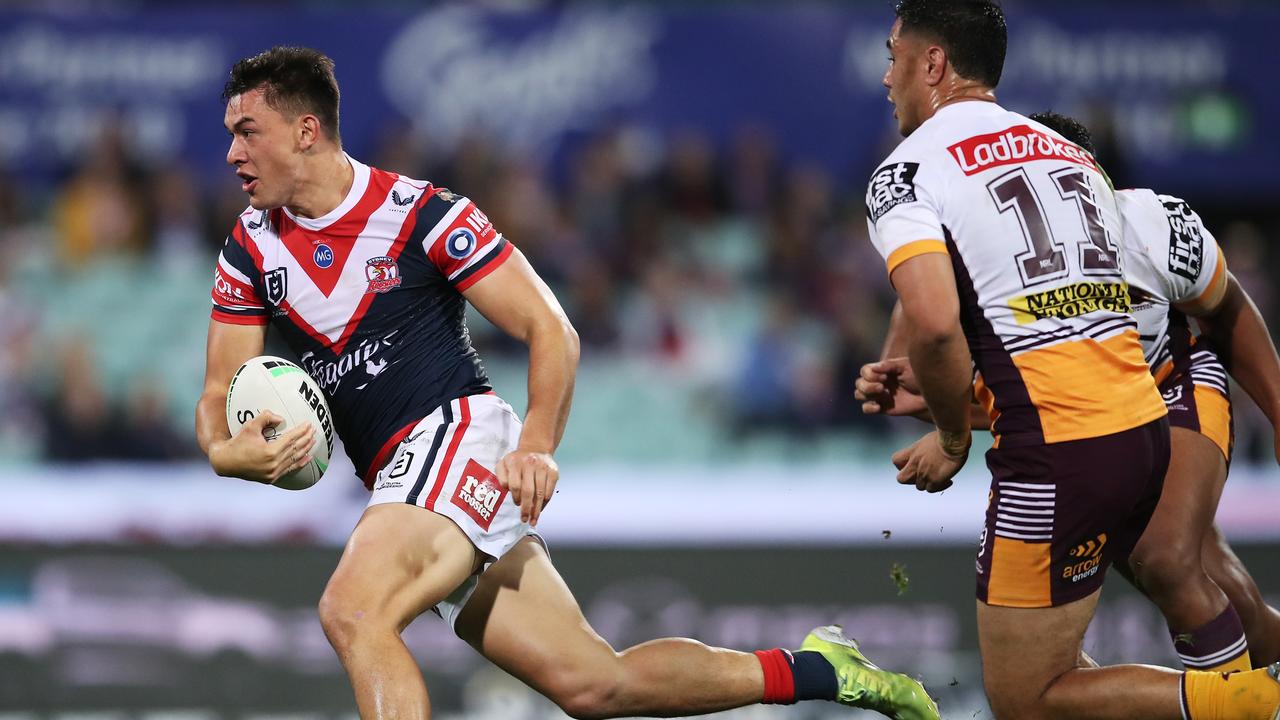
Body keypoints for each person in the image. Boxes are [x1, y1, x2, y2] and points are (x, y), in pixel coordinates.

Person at [193, 46, 939, 720]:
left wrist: (539, 445)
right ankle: (821, 670)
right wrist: (230, 457)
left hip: (455, 440)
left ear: (305, 131)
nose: (231, 153)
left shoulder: (421, 214)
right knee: (594, 684)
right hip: (401, 481)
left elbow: (553, 329)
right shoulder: (250, 249)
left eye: (246, 131)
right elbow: (217, 396)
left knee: (353, 612)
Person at [859, 2, 1280, 719]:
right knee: (1158, 584)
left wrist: (955, 438)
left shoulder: (905, 176)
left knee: (1029, 694)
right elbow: (1056, 341)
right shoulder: (1069, 154)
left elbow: (932, 325)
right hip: (1139, 422)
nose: (884, 74)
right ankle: (1241, 686)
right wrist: (947, 400)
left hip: (1085, 433)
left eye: (894, 53)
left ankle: (1235, 700)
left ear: (932, 64)